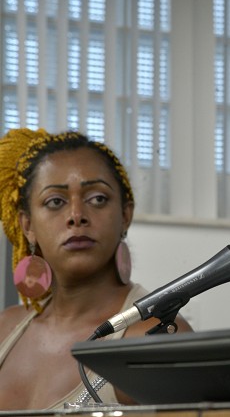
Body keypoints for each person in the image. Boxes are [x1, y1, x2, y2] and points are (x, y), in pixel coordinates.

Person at [0, 128, 192, 410]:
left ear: (125, 215)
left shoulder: (156, 337)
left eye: (98, 199)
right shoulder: (5, 327)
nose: (76, 216)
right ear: (27, 225)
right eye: (55, 202)